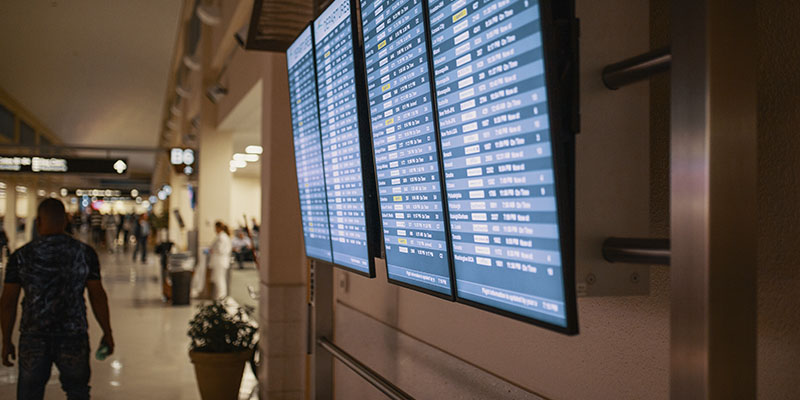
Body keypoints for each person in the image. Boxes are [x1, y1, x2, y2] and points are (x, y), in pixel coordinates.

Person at [0, 198, 114, 399]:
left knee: (29, 393)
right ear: (65, 221)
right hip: (73, 335)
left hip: (33, 336)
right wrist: (107, 331)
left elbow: (8, 302)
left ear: (38, 222)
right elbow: (98, 296)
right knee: (77, 392)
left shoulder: (21, 256)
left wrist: (7, 340)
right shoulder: (84, 253)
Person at [208, 221, 232, 299]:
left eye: (215, 228)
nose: (215, 230)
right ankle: (220, 296)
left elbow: (220, 249)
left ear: (218, 228)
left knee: (219, 279)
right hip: (221, 261)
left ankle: (221, 297)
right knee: (219, 279)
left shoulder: (222, 237)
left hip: (220, 261)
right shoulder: (223, 236)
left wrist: (212, 250)